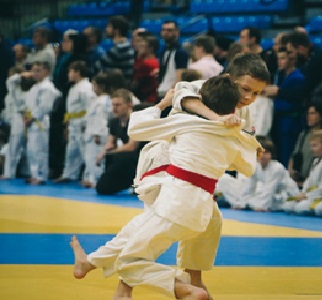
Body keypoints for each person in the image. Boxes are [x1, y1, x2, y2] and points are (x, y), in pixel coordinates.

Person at [70, 76, 261, 300]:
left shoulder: (188, 122)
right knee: (138, 229)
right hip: (202, 210)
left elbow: (137, 129)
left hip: (175, 202)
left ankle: (183, 287)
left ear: (202, 100)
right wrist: (244, 135)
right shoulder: (236, 136)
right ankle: (90, 263)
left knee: (130, 262)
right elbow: (247, 166)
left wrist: (162, 104)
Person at [136, 53, 269, 295]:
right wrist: (216, 118)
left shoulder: (243, 113)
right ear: (229, 78)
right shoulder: (203, 88)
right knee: (151, 232)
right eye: (245, 89)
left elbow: (238, 147)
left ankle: (192, 279)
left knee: (209, 220)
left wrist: (253, 149)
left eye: (256, 93)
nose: (249, 97)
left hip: (192, 176)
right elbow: (182, 96)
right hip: (163, 165)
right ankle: (129, 285)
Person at [217, 139, 300, 211]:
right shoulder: (255, 166)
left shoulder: (277, 168)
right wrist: (241, 204)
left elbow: (269, 188)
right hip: (270, 195)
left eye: (266, 153)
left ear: (271, 155)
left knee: (288, 206)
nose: (263, 156)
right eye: (260, 153)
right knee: (249, 201)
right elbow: (250, 187)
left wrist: (261, 206)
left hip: (287, 194)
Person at [54, 61, 95, 183]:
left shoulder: (86, 88)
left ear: (78, 72)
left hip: (82, 123)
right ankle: (69, 174)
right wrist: (67, 124)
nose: (69, 74)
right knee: (72, 151)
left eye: (71, 71)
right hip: (73, 122)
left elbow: (90, 107)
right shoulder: (74, 87)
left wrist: (86, 123)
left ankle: (89, 177)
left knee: (85, 151)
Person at [95, 89, 143, 195]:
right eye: (113, 105)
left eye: (118, 105)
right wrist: (103, 153)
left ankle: (136, 182)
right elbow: (111, 143)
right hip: (127, 158)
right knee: (102, 188)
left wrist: (112, 151)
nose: (115, 108)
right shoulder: (115, 122)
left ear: (129, 105)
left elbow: (132, 146)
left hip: (141, 158)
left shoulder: (137, 119)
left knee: (121, 156)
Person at [283, 129, 322, 214]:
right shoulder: (316, 160)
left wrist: (306, 196)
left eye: (315, 146)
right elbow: (309, 182)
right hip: (312, 195)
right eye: (311, 146)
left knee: (301, 208)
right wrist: (303, 193)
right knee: (288, 206)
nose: (312, 149)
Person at [23, 61, 61, 185]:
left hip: (40, 121)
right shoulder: (35, 87)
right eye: (33, 71)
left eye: (38, 70)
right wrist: (26, 116)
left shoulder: (47, 87)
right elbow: (29, 105)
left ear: (46, 71)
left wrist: (32, 117)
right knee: (32, 150)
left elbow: (45, 107)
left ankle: (40, 176)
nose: (35, 74)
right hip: (31, 121)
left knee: (39, 150)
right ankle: (34, 174)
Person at [267, 46, 305, 167]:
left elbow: (297, 98)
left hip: (290, 121)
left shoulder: (297, 77)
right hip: (279, 120)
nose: (280, 62)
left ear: (292, 60)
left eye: (283, 58)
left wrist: (278, 92)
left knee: (286, 151)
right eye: (279, 58)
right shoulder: (280, 76)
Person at [288, 100, 322, 185]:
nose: (309, 117)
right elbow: (294, 155)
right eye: (308, 114)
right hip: (298, 181)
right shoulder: (303, 135)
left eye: (312, 113)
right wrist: (291, 171)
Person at [81, 73, 111, 188]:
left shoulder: (104, 101)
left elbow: (102, 119)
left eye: (94, 85)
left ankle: (96, 180)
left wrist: (98, 134)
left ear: (100, 86)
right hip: (91, 133)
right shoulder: (97, 100)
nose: (92, 87)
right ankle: (89, 178)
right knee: (89, 158)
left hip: (98, 134)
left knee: (96, 158)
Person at [2, 67, 27, 179]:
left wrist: (24, 75)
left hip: (27, 118)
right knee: (14, 147)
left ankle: (27, 172)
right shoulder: (11, 89)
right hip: (15, 121)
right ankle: (9, 173)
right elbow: (10, 80)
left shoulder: (28, 88)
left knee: (29, 148)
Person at [157, 20, 189, 99]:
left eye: (169, 30)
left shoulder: (181, 53)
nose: (166, 32)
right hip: (161, 90)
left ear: (177, 32)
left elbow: (179, 78)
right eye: (163, 30)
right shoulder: (163, 51)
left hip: (171, 94)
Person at [100, 15, 135, 82]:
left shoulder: (118, 49)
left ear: (116, 30)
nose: (106, 29)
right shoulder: (128, 45)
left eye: (109, 27)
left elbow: (98, 66)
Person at [131, 32, 160, 103]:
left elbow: (135, 84)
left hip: (147, 99)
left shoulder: (147, 64)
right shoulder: (156, 61)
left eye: (142, 46)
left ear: (150, 48)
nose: (138, 48)